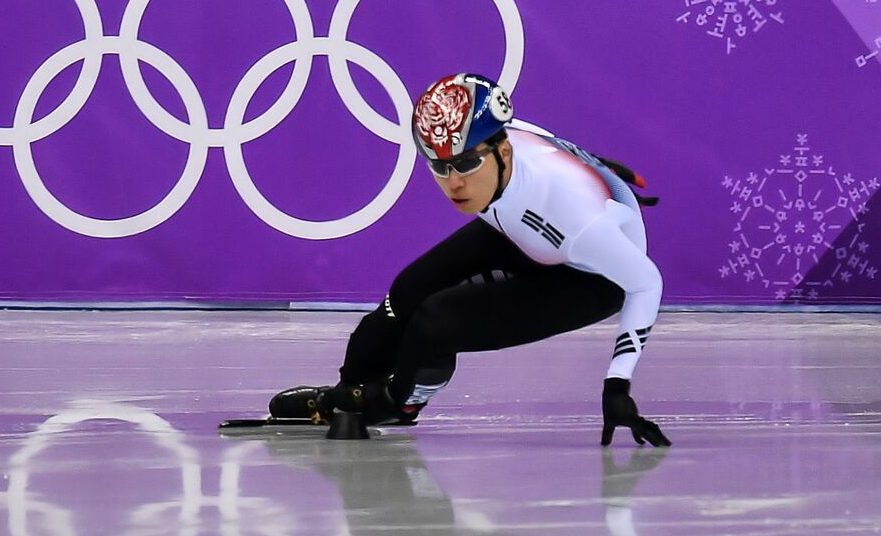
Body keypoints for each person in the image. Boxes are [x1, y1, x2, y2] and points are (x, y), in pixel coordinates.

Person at [272, 73, 671, 446]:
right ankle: (347, 396)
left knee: (435, 323)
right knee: (406, 293)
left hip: (589, 277)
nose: (454, 183)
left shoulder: (575, 217)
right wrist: (608, 174)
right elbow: (551, 142)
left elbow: (646, 283)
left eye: (465, 163)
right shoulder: (500, 144)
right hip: (521, 229)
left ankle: (397, 404)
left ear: (503, 151)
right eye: (439, 166)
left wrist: (617, 386)